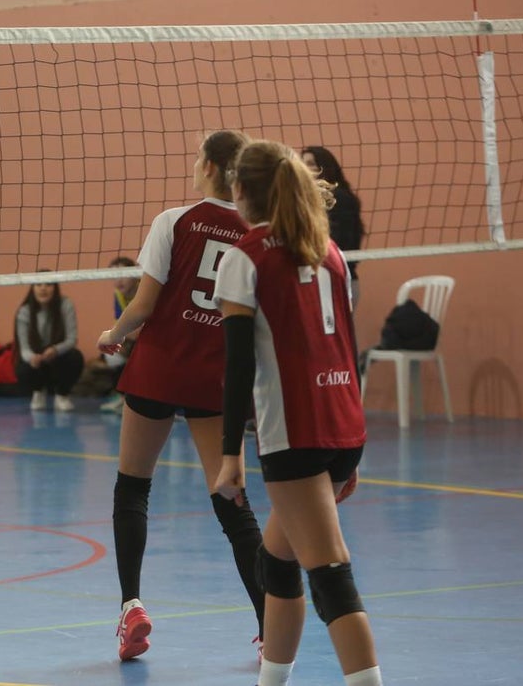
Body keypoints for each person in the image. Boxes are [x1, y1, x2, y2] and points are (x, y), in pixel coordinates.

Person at [214, 140, 381, 686]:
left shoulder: (244, 257)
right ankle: (272, 680)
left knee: (330, 573)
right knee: (277, 563)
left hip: (295, 434)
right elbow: (346, 349)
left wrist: (230, 455)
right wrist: (348, 447)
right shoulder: (327, 250)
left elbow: (238, 367)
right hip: (340, 424)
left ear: (240, 190)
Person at [96, 130, 265, 662]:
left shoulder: (174, 221)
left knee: (132, 489)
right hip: (213, 379)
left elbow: (144, 304)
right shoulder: (256, 235)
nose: (194, 165)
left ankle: (132, 608)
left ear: (212, 165)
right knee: (231, 501)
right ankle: (269, 626)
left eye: (198, 157)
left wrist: (113, 335)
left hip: (157, 370)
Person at [301, 146, 365, 307]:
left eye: (310, 164)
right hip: (320, 280)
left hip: (336, 282)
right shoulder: (307, 200)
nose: (304, 168)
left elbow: (337, 243)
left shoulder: (338, 199)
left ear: (324, 168)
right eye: (302, 164)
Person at [15, 279, 84, 412]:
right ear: (32, 288)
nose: (43, 288)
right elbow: (24, 349)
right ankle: (37, 392)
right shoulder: (24, 311)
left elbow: (71, 339)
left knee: (75, 357)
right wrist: (32, 358)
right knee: (21, 366)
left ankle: (62, 395)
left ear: (55, 288)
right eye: (38, 284)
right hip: (37, 358)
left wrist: (55, 350)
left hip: (58, 356)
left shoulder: (66, 305)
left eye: (48, 284)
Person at [99, 256, 140, 414]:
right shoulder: (118, 295)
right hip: (133, 338)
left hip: (156, 338)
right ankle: (123, 399)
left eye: (122, 274)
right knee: (112, 354)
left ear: (135, 275)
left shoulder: (145, 289)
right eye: (114, 276)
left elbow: (144, 328)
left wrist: (121, 335)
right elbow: (119, 323)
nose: (118, 281)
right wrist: (119, 339)